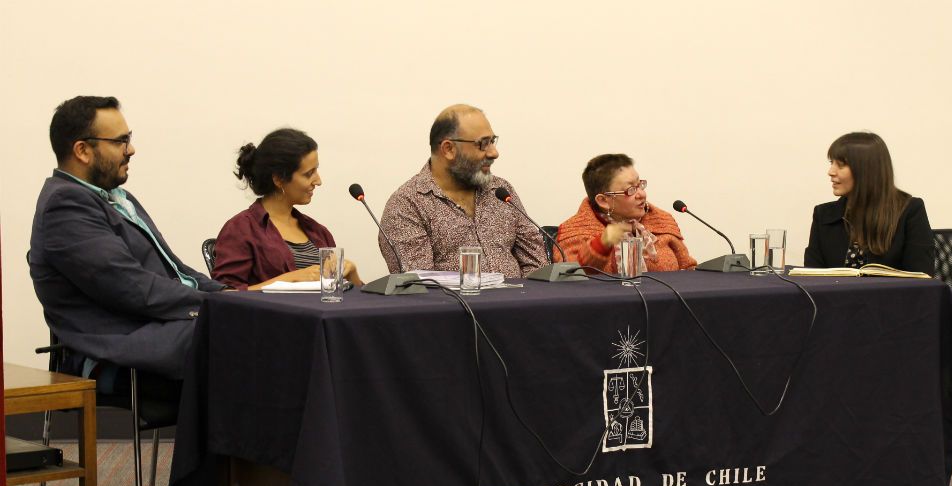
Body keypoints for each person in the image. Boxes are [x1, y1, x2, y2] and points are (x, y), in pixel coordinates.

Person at [29, 96, 225, 391]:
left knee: (265, 327)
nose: (131, 149)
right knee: (248, 334)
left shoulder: (117, 198)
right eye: (121, 141)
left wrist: (229, 294)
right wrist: (220, 305)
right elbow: (132, 288)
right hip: (120, 352)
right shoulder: (65, 206)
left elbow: (176, 271)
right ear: (82, 150)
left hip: (164, 329)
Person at [378, 104, 547, 278]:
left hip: (521, 303)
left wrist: (528, 300)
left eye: (493, 141)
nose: (494, 153)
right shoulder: (406, 205)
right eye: (483, 144)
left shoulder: (501, 191)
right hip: (455, 305)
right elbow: (421, 288)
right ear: (448, 149)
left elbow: (537, 266)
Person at [212, 128, 362, 290]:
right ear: (278, 179)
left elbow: (347, 298)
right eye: (308, 174)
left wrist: (352, 274)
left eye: (316, 170)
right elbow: (223, 295)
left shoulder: (319, 232)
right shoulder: (241, 229)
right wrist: (288, 280)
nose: (318, 181)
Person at [805, 132, 933, 275]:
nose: (831, 172)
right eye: (831, 163)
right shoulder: (823, 214)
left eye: (840, 165)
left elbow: (920, 280)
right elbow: (811, 279)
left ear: (867, 170)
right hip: (832, 297)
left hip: (891, 297)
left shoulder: (909, 210)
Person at [555, 154, 697, 273]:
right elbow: (568, 279)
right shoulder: (575, 231)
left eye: (640, 185)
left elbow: (689, 270)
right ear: (603, 200)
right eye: (630, 190)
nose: (642, 194)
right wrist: (600, 245)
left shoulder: (661, 220)